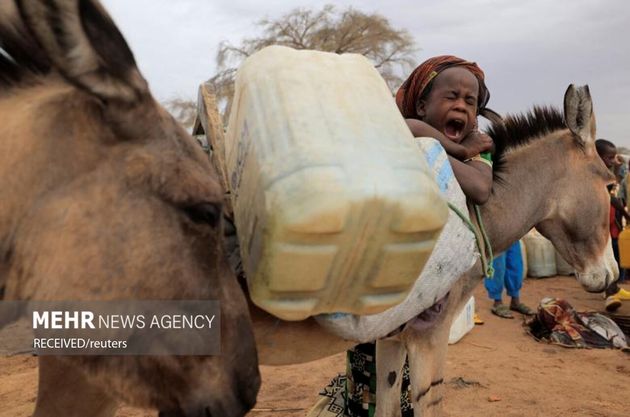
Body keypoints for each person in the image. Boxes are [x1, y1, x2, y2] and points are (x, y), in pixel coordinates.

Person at [395, 55, 494, 205]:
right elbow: (410, 126)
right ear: (422, 107)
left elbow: (480, 189)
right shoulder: (405, 135)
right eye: (451, 97)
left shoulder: (478, 143)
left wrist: (433, 152)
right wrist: (461, 150)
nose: (461, 106)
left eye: (469, 101)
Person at [595, 139, 630, 311]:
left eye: (614, 158)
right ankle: (610, 295)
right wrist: (625, 214)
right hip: (597, 225)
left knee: (613, 258)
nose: (613, 161)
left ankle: (615, 288)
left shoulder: (605, 172)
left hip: (607, 224)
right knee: (606, 260)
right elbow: (613, 199)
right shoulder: (596, 174)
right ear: (597, 157)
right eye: (609, 158)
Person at [484, 241, 534, 318]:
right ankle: (497, 302)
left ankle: (515, 300)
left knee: (515, 262)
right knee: (498, 264)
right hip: (498, 233)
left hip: (513, 232)